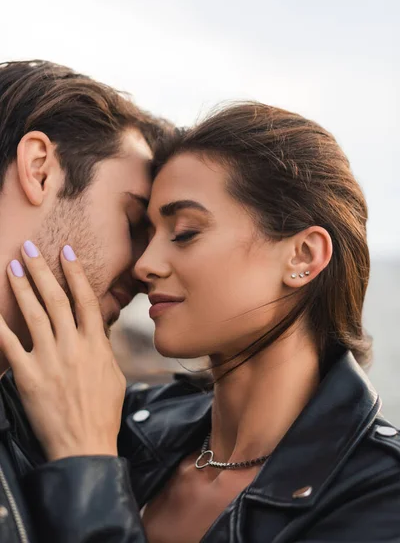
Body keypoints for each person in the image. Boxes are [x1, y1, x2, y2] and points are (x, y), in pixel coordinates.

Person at [1, 102, 400, 542]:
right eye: (145, 233)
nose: (145, 264)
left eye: (185, 232)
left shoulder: (380, 492)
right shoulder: (123, 423)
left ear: (302, 256)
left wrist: (89, 467)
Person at [0, 59, 169, 542]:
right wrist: (87, 467)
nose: (145, 268)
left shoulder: (35, 414)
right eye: (134, 222)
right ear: (40, 170)